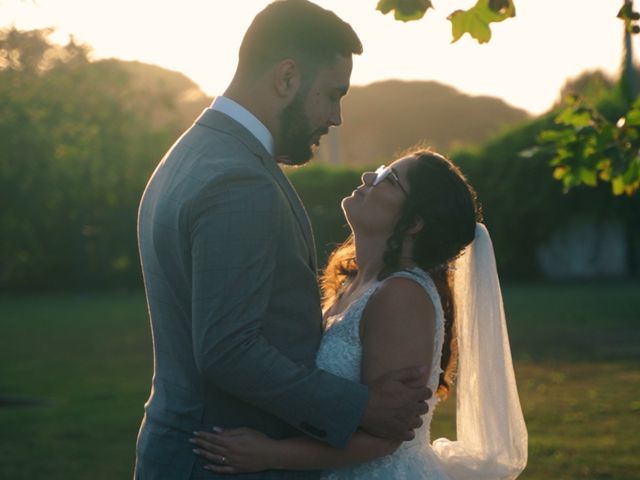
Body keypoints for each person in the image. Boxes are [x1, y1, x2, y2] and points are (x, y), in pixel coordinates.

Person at [135, 1, 431, 479]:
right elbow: (229, 350)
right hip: (221, 461)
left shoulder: (193, 152)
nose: (335, 118)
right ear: (287, 78)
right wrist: (360, 407)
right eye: (333, 94)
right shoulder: (239, 181)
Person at [189, 150, 529, 479]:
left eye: (388, 178)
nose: (369, 176)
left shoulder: (402, 296)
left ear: (413, 223)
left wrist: (268, 454)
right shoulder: (355, 283)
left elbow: (386, 438)